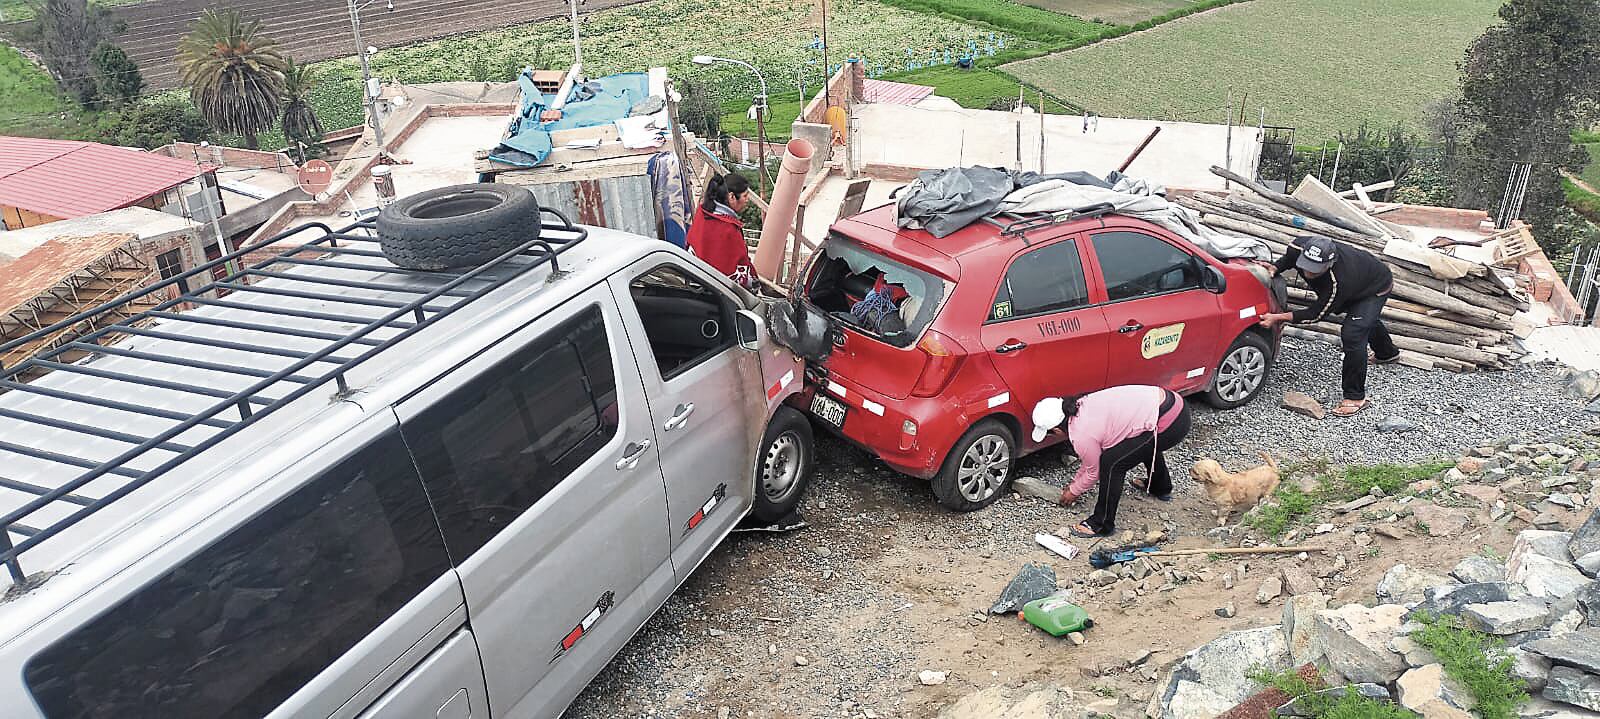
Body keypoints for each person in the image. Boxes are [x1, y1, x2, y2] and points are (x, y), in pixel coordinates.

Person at [1258, 235, 1400, 417]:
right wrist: (1276, 267)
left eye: (1315, 271)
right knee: (1364, 320)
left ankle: (1355, 396)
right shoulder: (1297, 247)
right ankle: (1388, 354)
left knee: (1353, 333)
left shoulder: (1338, 282)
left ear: (1330, 264)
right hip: (1358, 279)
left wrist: (1278, 317)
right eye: (1306, 266)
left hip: (1375, 286)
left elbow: (1315, 314)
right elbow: (1289, 258)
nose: (1308, 273)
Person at [1030, 385, 1193, 538]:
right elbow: (1088, 462)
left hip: (1170, 424)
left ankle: (1101, 523)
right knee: (1138, 445)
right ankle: (1160, 487)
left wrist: (1074, 491)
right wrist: (1074, 484)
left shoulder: (1080, 434)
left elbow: (1095, 470)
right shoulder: (1082, 403)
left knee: (1112, 463)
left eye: (1049, 434)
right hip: (1173, 403)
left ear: (1057, 429)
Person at [686, 173, 756, 288]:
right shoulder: (728, 229)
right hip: (716, 296)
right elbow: (734, 272)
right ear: (732, 197)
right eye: (745, 196)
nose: (747, 200)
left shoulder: (702, 214)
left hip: (695, 285)